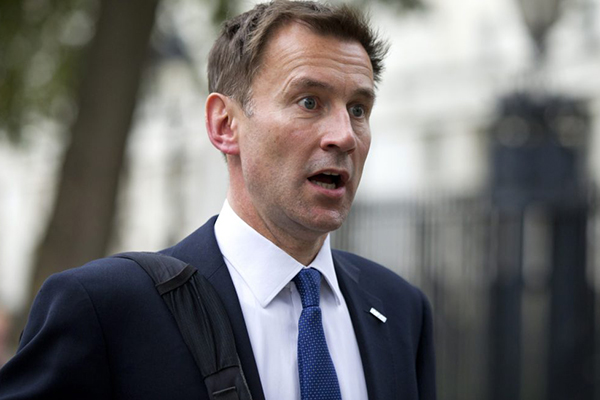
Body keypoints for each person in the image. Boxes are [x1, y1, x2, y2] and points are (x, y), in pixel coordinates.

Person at [0, 1, 435, 399]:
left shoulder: (400, 310)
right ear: (225, 124)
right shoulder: (105, 310)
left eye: (358, 109)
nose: (344, 135)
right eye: (309, 102)